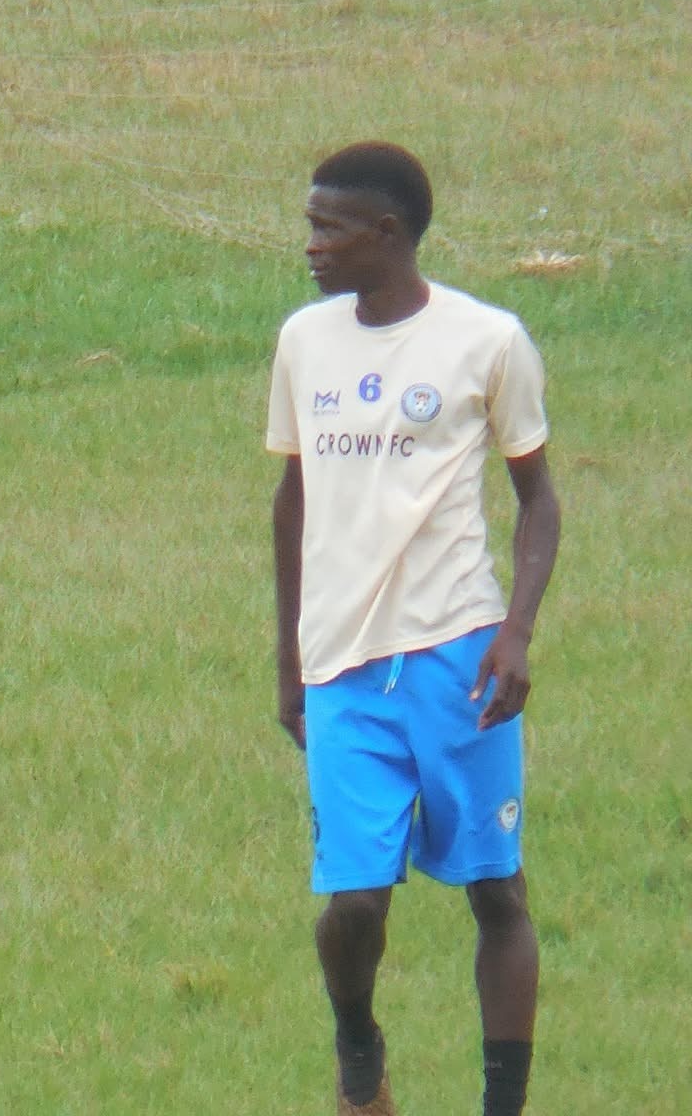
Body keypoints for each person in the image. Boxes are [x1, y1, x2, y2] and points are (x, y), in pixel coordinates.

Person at [267, 142, 560, 1116]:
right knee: (350, 905)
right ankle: (357, 1045)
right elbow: (290, 501)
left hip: (455, 658)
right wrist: (286, 663)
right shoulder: (304, 342)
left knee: (496, 893)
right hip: (342, 668)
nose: (307, 245)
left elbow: (538, 501)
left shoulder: (486, 341)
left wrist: (512, 634)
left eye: (325, 226)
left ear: (383, 235)